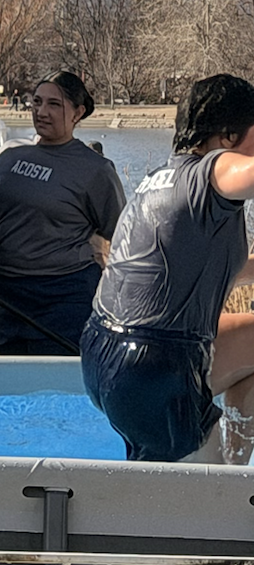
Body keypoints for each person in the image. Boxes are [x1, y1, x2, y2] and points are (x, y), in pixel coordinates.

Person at [84, 74, 254, 464]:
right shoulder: (213, 169)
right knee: (199, 498)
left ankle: (236, 469)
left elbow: (195, 271)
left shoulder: (165, 179)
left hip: (105, 354)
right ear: (228, 136)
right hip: (154, 368)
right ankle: (224, 481)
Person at [0, 71, 125, 356]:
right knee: (13, 376)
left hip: (65, 294)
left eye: (54, 104)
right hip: (9, 290)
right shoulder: (7, 157)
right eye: (36, 102)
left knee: (57, 376)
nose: (41, 112)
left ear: (78, 112)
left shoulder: (95, 169)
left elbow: (121, 236)